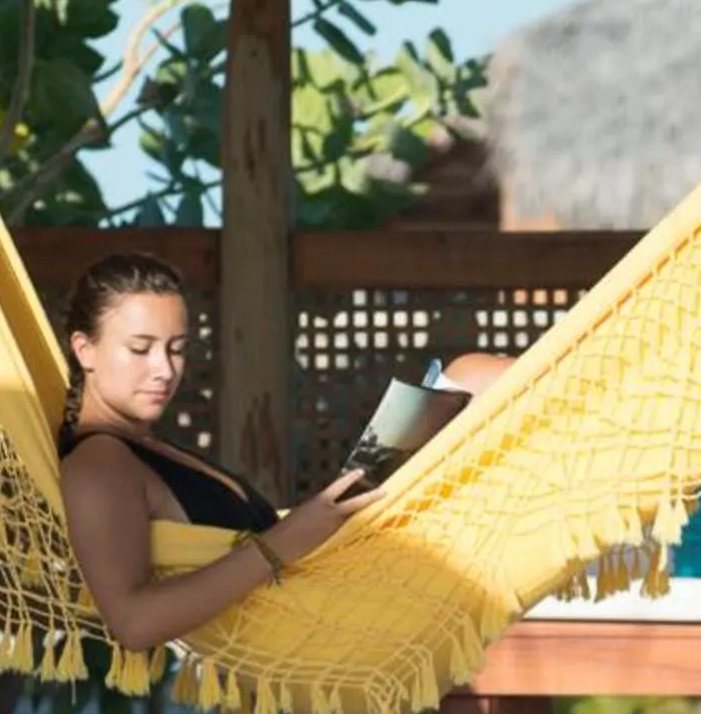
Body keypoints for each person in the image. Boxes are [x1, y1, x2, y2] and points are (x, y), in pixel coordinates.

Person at [56, 253, 507, 652]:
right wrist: (284, 542)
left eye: (177, 350)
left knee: (471, 378)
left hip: (333, 583)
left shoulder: (141, 448)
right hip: (323, 622)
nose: (165, 369)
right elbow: (132, 624)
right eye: (141, 349)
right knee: (475, 378)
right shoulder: (98, 465)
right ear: (85, 349)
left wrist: (311, 522)